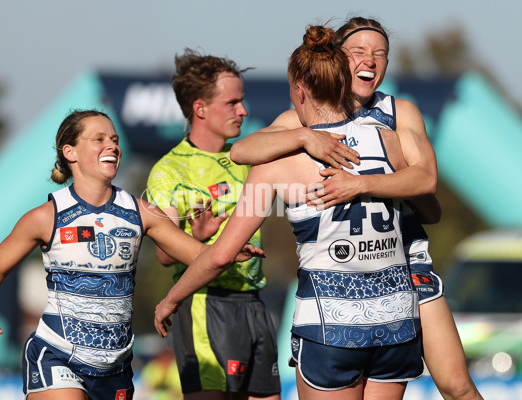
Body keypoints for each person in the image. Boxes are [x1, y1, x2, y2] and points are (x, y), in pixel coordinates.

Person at [155, 25, 426, 400]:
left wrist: (171, 299)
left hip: (331, 327)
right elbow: (428, 202)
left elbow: (221, 254)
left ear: (299, 91)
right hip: (397, 321)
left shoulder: (276, 166)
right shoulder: (389, 138)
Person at [229, 17, 482, 400]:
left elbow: (428, 191)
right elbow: (243, 150)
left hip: (407, 268)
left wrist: (362, 183)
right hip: (341, 289)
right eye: (359, 51)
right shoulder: (306, 115)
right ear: (336, 58)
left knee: (457, 385)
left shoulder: (399, 113)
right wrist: (303, 136)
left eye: (381, 54)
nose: (371, 60)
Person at [0, 109, 263, 400]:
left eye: (115, 139)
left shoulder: (141, 211)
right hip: (57, 355)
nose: (112, 146)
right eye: (99, 139)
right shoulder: (46, 216)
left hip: (115, 367)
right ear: (70, 152)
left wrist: (229, 249)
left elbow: (199, 255)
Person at [145, 49, 281, 400]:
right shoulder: (170, 169)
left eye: (243, 101)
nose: (243, 111)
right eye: (232, 102)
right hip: (206, 303)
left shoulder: (248, 157)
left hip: (255, 302)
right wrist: (195, 236)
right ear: (200, 108)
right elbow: (163, 255)